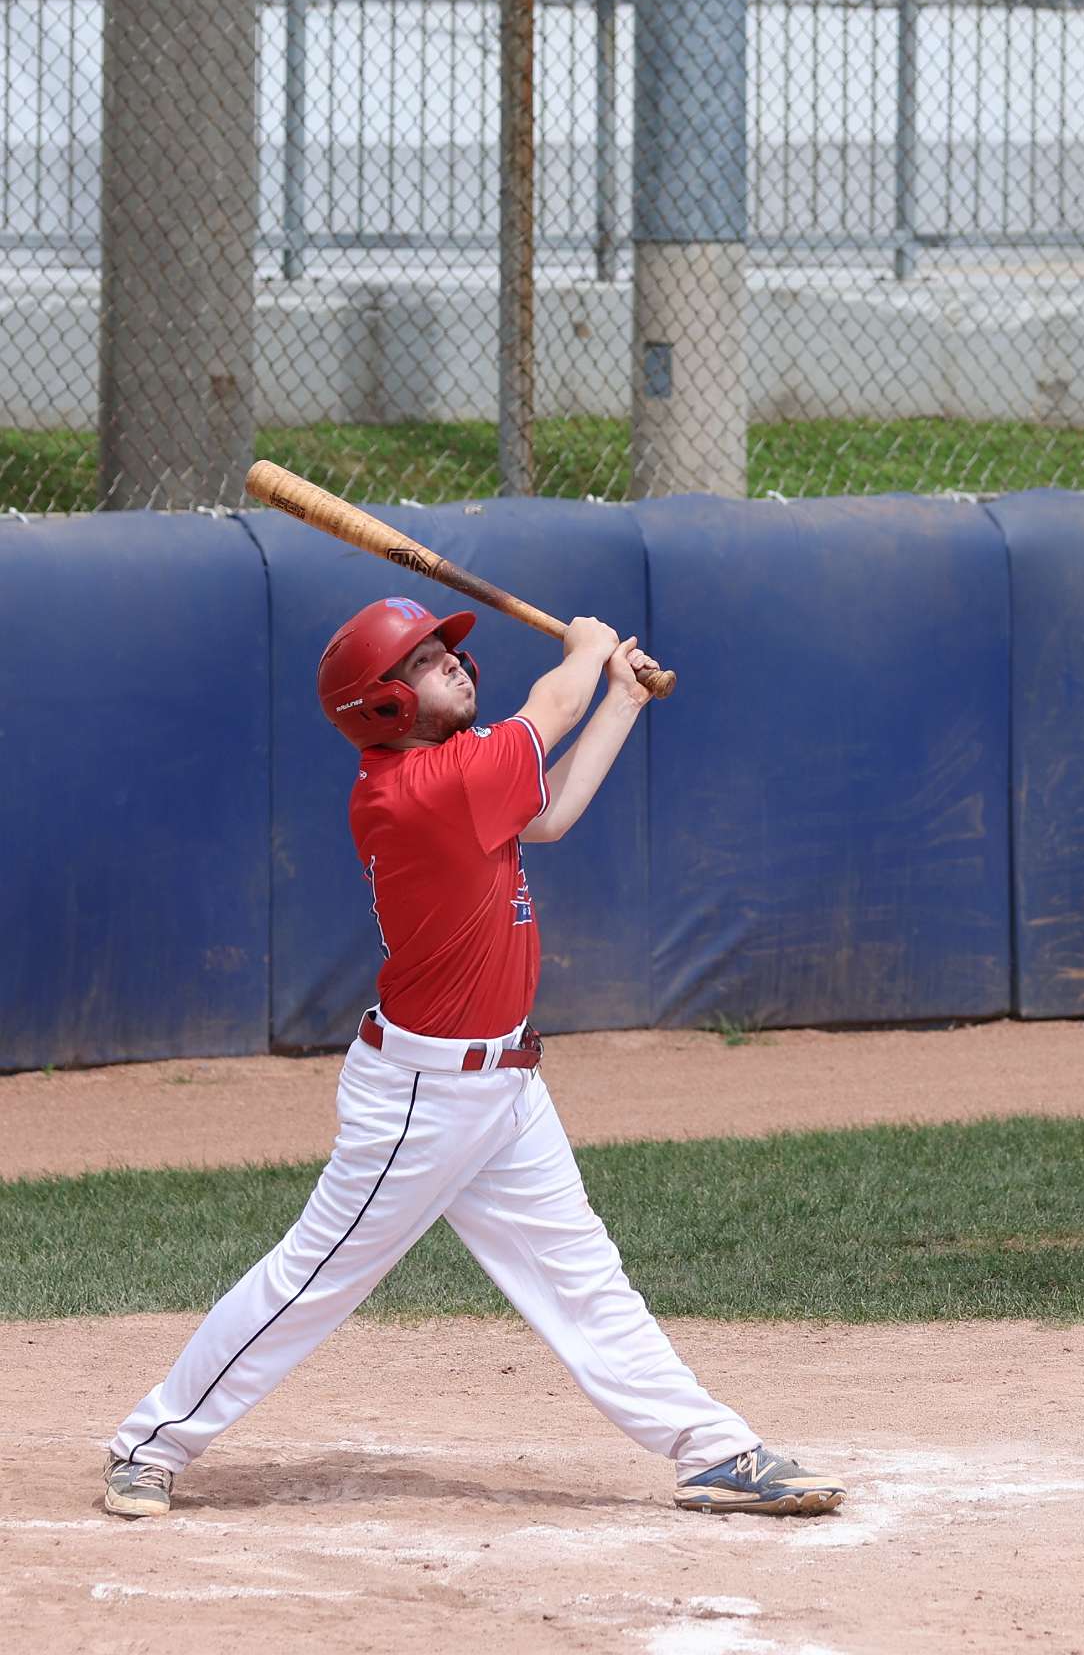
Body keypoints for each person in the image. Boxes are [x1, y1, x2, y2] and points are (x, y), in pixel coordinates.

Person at [103, 595, 845, 1522]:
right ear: (381, 703)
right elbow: (551, 708)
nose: (451, 661)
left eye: (445, 650)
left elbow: (552, 815)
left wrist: (620, 695)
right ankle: (149, 1445)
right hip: (424, 1096)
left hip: (503, 1087)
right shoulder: (421, 788)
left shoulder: (457, 775)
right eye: (421, 660)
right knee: (313, 1280)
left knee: (582, 1277)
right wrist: (586, 652)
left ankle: (717, 1452)